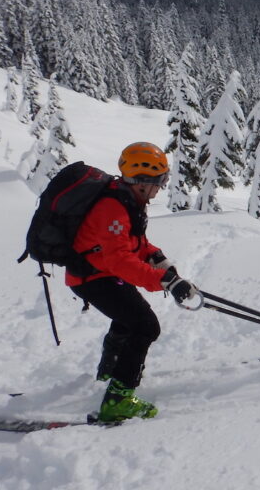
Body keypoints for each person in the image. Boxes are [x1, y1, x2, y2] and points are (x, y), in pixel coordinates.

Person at [66, 142, 198, 422]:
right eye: (160, 180)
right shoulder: (112, 209)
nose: (161, 186)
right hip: (92, 277)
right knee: (145, 326)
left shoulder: (127, 201)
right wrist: (164, 281)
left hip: (100, 272)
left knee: (129, 320)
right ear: (142, 181)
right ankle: (118, 399)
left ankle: (109, 373)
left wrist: (158, 259)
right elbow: (120, 261)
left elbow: (134, 243)